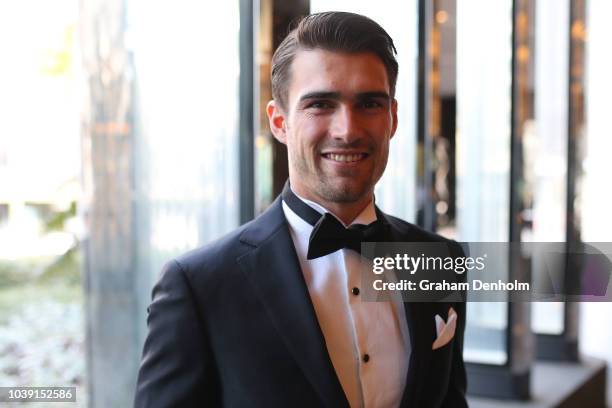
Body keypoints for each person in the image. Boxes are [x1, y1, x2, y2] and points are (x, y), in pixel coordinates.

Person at [134, 11, 467, 408]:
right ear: (279, 122)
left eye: (369, 103)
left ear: (392, 118)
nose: (347, 129)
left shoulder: (439, 259)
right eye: (321, 104)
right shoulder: (199, 286)